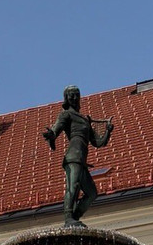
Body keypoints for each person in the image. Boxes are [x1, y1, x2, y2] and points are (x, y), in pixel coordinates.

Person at [42, 85, 113, 226]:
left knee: (92, 193)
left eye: (76, 95)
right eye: (71, 95)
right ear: (66, 99)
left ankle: (75, 216)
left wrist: (108, 131)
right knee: (72, 186)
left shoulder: (85, 119)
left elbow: (98, 142)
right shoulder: (66, 114)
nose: (74, 98)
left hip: (82, 160)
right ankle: (68, 217)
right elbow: (56, 128)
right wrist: (52, 135)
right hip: (73, 157)